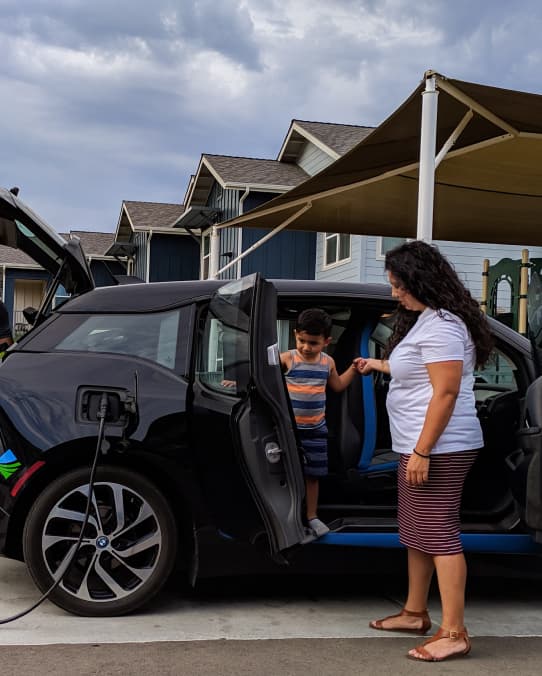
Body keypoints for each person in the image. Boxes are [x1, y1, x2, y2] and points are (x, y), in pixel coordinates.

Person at [356, 240, 492, 662]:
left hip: (440, 447)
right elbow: (414, 370)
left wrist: (423, 450)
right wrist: (376, 365)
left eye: (399, 285)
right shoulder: (427, 320)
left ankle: (454, 632)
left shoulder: (445, 326)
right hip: (422, 445)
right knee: (418, 533)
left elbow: (446, 392)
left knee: (439, 536)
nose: (395, 292)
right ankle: (415, 612)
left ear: (421, 281)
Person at [281, 308, 360, 538]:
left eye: (313, 343)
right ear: (295, 334)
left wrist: (354, 370)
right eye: (301, 340)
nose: (306, 347)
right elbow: (264, 379)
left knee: (313, 475)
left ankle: (312, 516)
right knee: (288, 474)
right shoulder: (288, 358)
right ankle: (289, 515)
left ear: (327, 341)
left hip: (316, 429)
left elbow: (337, 386)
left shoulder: (328, 363)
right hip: (290, 430)